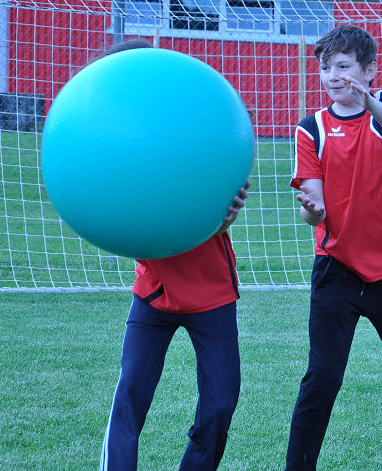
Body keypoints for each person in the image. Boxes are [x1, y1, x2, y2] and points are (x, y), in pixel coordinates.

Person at [285, 25, 382, 471]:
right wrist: (313, 211)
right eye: (325, 68)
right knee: (321, 379)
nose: (333, 76)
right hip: (337, 270)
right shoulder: (311, 128)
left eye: (343, 66)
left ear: (369, 71)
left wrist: (368, 101)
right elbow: (313, 210)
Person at [97, 39, 250, 470]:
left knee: (221, 404)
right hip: (155, 292)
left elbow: (211, 213)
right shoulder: (112, 145)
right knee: (131, 396)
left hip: (211, 293)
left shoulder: (189, 128)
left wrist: (224, 216)